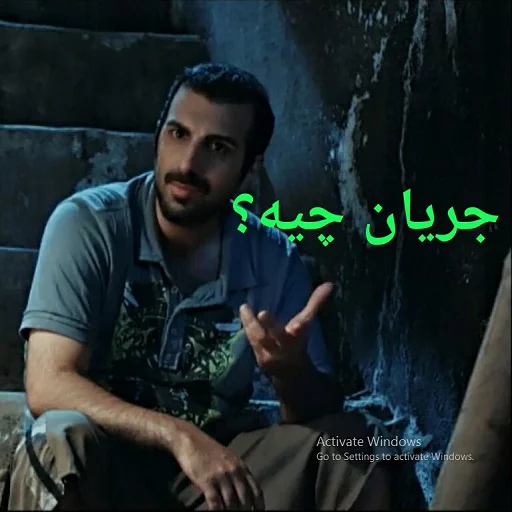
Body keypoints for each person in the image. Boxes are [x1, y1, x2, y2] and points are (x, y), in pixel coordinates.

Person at [7, 63, 390, 510]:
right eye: (178, 134)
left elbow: (313, 412)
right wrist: (179, 436)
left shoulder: (272, 258)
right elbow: (48, 383)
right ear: (157, 137)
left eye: (217, 147)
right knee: (58, 437)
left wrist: (290, 371)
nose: (188, 164)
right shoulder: (88, 225)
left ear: (250, 167)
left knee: (355, 443)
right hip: (102, 465)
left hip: (213, 480)